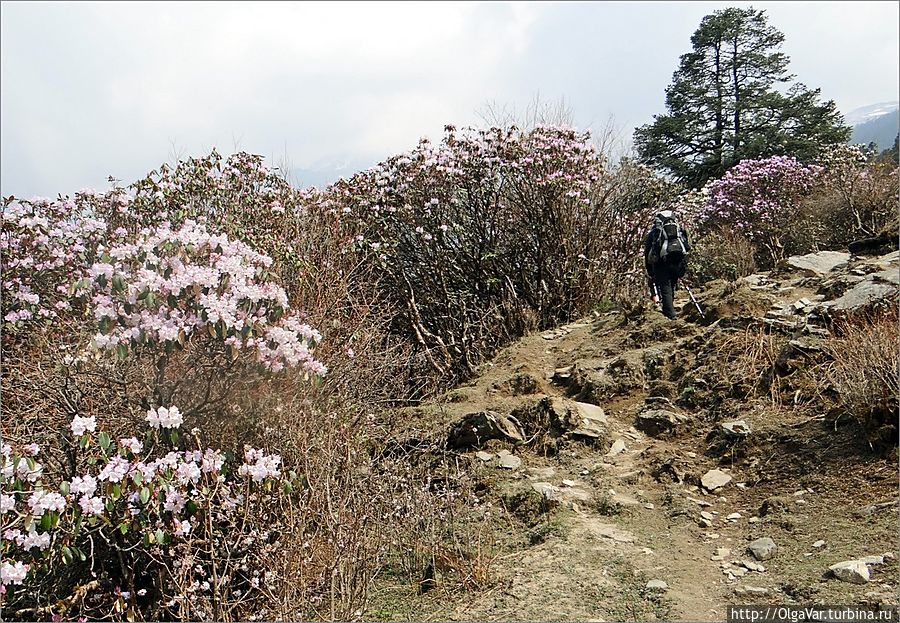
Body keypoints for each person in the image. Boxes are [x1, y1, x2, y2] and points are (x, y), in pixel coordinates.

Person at [643, 209, 691, 320]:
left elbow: (647, 253)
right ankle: (669, 308)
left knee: (665, 288)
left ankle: (670, 314)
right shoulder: (679, 230)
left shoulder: (654, 233)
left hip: (661, 264)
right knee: (671, 286)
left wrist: (650, 271)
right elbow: (687, 246)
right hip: (677, 261)